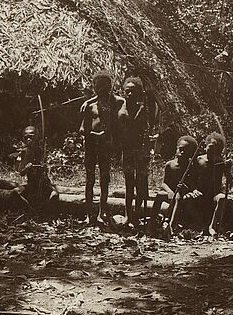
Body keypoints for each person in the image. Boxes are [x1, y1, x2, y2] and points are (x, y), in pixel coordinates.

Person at [79, 71, 124, 224]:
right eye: (98, 86)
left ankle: (102, 212)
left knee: (105, 179)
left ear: (110, 86)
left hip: (105, 145)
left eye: (105, 86)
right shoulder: (90, 106)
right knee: (89, 179)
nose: (101, 89)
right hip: (92, 145)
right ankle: (88, 214)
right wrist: (91, 134)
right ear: (94, 88)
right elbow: (82, 129)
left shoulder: (116, 103)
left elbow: (125, 102)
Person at [118, 77, 150, 225]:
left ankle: (137, 214)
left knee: (140, 183)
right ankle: (128, 215)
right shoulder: (120, 105)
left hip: (140, 150)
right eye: (127, 91)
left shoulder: (144, 108)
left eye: (133, 92)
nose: (130, 94)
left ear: (139, 93)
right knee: (129, 183)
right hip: (127, 150)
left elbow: (148, 130)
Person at [11, 126, 59, 219]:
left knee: (55, 195)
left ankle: (47, 215)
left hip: (44, 184)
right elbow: (21, 172)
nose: (29, 139)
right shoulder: (24, 152)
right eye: (26, 137)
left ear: (36, 137)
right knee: (15, 192)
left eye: (31, 137)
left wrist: (44, 167)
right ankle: (31, 212)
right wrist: (26, 168)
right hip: (31, 185)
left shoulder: (41, 150)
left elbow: (45, 168)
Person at [153, 135, 199, 231]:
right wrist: (169, 191)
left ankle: (171, 226)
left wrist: (189, 188)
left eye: (186, 151)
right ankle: (151, 224)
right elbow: (164, 183)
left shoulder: (191, 166)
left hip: (183, 194)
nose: (182, 152)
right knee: (159, 195)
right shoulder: (170, 165)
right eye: (180, 149)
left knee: (178, 197)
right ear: (176, 149)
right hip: (171, 193)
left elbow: (193, 183)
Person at [196, 132, 233, 236]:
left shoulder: (221, 162)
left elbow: (230, 180)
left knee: (221, 198)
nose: (212, 149)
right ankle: (199, 225)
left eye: (215, 148)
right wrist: (194, 190)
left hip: (214, 194)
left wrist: (228, 169)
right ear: (205, 146)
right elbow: (192, 178)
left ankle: (212, 226)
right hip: (200, 193)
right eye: (210, 146)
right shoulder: (198, 160)